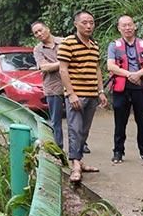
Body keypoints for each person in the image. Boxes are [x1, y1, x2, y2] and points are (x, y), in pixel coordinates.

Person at [58, 10, 108, 183]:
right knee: (75, 129)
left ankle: (79, 160)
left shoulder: (94, 45)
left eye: (91, 22)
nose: (88, 26)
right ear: (76, 24)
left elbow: (97, 69)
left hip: (92, 95)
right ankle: (75, 165)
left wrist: (100, 91)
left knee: (84, 131)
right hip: (76, 95)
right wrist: (71, 94)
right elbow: (63, 69)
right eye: (85, 22)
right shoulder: (68, 43)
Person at [106, 15, 143, 163]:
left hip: (141, 86)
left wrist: (138, 74)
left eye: (130, 25)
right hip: (122, 88)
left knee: (142, 120)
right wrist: (129, 74)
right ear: (119, 28)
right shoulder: (114, 46)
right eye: (124, 25)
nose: (127, 28)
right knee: (120, 121)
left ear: (135, 26)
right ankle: (118, 151)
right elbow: (111, 66)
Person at [31, 21, 65, 150]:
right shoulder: (38, 49)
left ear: (48, 29)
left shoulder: (64, 42)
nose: (39, 34)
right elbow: (44, 68)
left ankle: (80, 145)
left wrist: (55, 65)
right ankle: (58, 147)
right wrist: (64, 63)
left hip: (70, 85)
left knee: (76, 118)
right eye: (36, 33)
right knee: (56, 120)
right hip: (52, 87)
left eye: (40, 30)